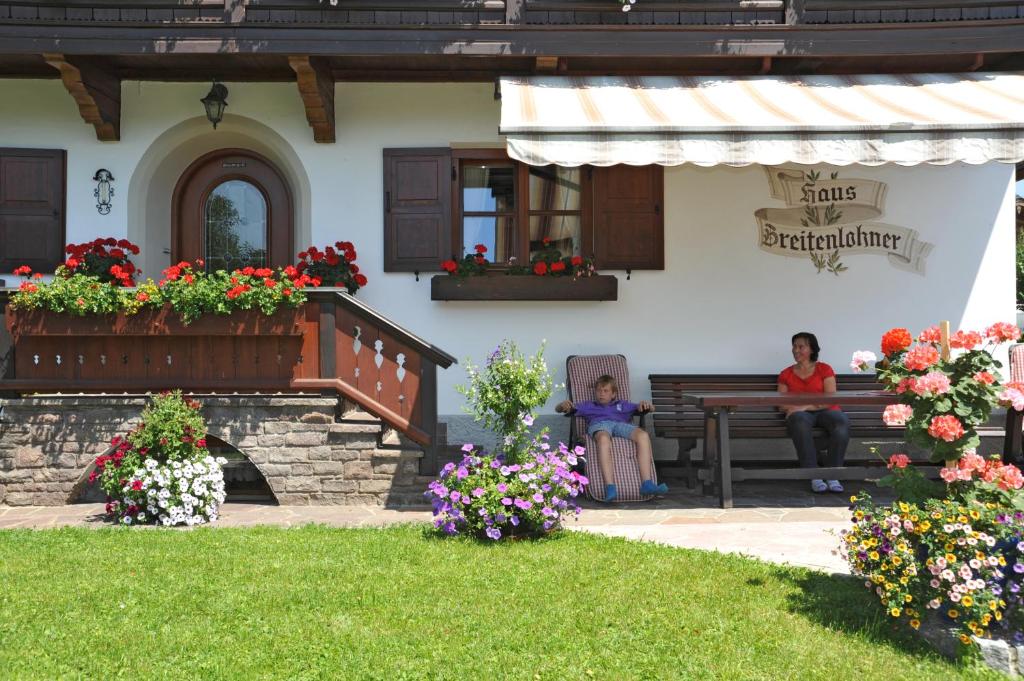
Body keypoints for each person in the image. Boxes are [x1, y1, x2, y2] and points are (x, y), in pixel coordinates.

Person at [556, 374, 667, 502]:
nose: (601, 394)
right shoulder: (589, 406)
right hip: (600, 425)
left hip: (620, 425)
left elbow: (651, 408)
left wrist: (646, 405)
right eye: (598, 390)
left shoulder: (622, 405)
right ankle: (610, 486)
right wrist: (562, 405)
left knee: (643, 435)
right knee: (603, 439)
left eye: (605, 391)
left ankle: (647, 483)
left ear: (613, 394)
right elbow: (560, 409)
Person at [778, 331, 851, 494]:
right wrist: (795, 409)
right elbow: (781, 403)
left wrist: (804, 406)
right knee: (799, 421)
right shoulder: (786, 374)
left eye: (801, 346)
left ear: (811, 349)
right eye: (794, 346)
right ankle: (814, 475)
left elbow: (830, 399)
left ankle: (833, 474)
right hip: (800, 415)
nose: (796, 350)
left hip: (827, 411)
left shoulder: (824, 369)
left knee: (841, 422)